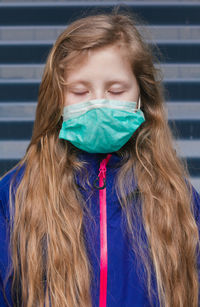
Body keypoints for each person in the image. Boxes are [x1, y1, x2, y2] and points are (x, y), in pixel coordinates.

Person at [0, 10, 200, 307]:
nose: (98, 104)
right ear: (57, 99)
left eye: (116, 90)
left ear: (141, 97)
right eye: (80, 91)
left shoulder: (179, 199)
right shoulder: (16, 195)